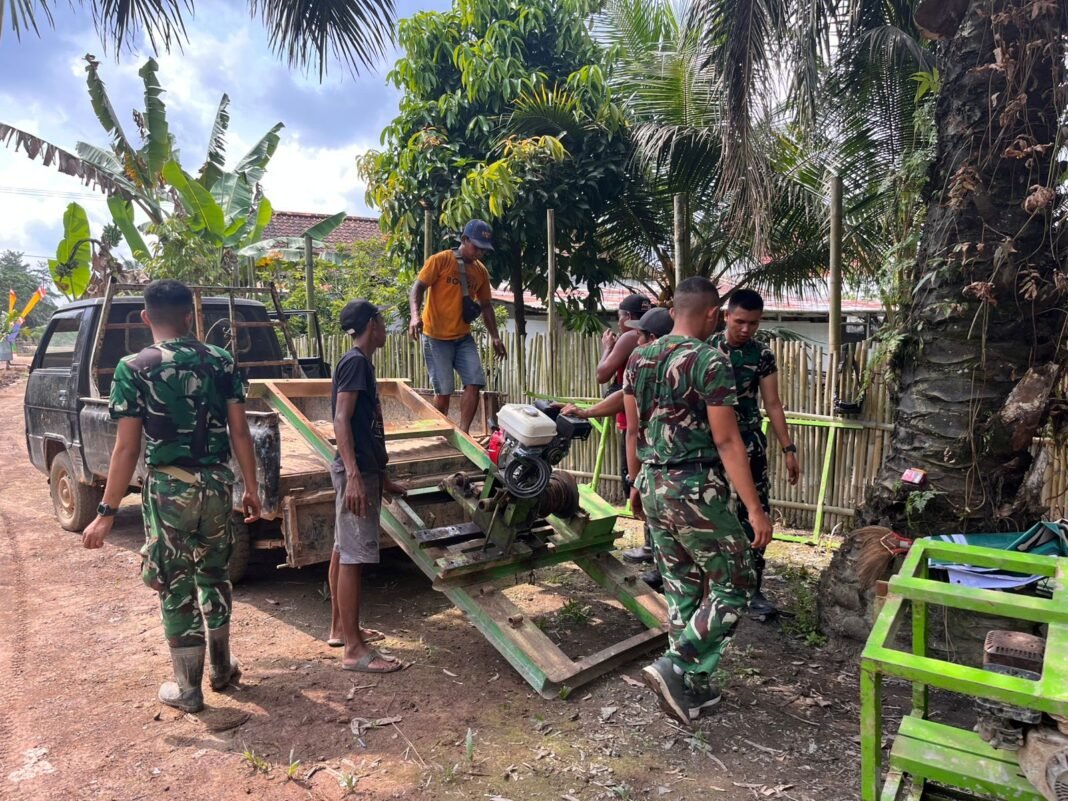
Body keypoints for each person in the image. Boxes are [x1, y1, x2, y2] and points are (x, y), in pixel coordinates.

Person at [82, 279, 262, 714]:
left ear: (146, 317)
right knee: (215, 574)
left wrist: (106, 511)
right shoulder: (220, 360)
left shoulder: (133, 367)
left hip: (169, 490)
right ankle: (222, 669)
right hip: (217, 486)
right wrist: (252, 489)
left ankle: (188, 689)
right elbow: (240, 431)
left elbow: (126, 448)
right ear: (188, 315)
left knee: (174, 582)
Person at [623, 276, 773, 724]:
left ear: (675, 311)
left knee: (682, 587)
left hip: (654, 482)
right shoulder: (710, 360)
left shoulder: (639, 357)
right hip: (695, 488)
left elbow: (635, 429)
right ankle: (675, 664)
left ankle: (692, 688)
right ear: (712, 314)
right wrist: (754, 509)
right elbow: (727, 440)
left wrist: (636, 482)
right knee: (737, 581)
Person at [561, 307, 671, 589]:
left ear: (653, 338)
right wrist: (586, 412)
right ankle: (663, 568)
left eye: (641, 336)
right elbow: (623, 395)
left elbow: (632, 424)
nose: (637, 341)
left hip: (664, 459)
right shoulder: (660, 364)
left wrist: (635, 482)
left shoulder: (651, 361)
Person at [709, 289, 800, 619]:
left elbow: (772, 403)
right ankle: (712, 581)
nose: (746, 329)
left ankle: (752, 587)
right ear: (726, 316)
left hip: (748, 441)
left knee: (756, 512)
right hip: (709, 444)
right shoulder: (705, 349)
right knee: (709, 509)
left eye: (754, 323)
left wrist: (788, 448)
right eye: (740, 322)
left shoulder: (762, 355)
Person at [328, 299, 409, 673]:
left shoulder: (359, 362)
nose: (384, 327)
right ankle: (354, 650)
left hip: (364, 468)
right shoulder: (356, 363)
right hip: (356, 470)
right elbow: (341, 420)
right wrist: (356, 476)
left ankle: (340, 629)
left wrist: (382, 476)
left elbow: (365, 426)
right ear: (372, 324)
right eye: (381, 320)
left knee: (342, 548)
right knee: (354, 556)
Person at [409, 219, 507, 433]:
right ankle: (440, 433)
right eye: (476, 247)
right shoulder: (441, 260)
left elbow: (486, 305)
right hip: (435, 337)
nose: (480, 253)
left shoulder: (481, 272)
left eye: (484, 249)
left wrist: (495, 336)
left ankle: (464, 433)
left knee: (475, 382)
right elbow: (418, 288)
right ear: (464, 239)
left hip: (462, 337)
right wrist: (415, 316)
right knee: (444, 392)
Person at [594, 293, 651, 564]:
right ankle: (653, 545)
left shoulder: (630, 336)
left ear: (627, 317)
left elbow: (602, 374)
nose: (618, 324)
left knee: (635, 482)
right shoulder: (652, 336)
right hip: (647, 420)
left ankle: (652, 547)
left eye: (619, 318)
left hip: (632, 421)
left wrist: (607, 347)